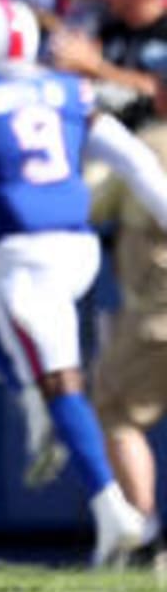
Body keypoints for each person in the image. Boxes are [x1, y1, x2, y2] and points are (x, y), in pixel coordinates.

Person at [0, 0, 167, 567]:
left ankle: (111, 507)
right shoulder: (70, 92)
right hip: (76, 251)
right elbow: (137, 164)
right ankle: (34, 404)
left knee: (61, 380)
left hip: (29, 257)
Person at [91, 122, 167, 551]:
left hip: (158, 315)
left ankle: (145, 536)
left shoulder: (149, 145)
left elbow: (92, 205)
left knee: (115, 409)